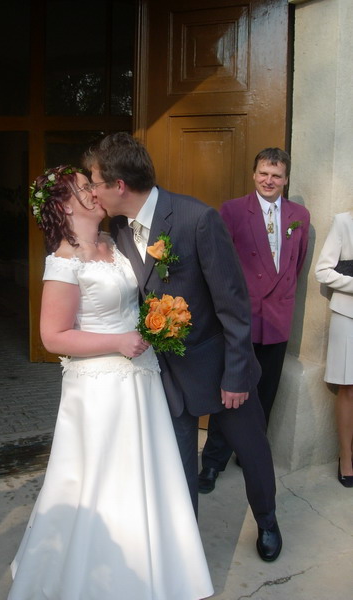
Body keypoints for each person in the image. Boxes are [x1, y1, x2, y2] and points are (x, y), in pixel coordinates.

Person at [8, 165, 214, 599]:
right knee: (103, 478)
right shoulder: (64, 260)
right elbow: (53, 337)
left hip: (141, 378)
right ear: (65, 206)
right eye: (84, 188)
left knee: (147, 474)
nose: (94, 192)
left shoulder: (114, 242)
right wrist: (118, 341)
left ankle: (157, 571)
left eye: (92, 184)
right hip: (99, 387)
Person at [83, 133, 282, 562]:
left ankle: (267, 520)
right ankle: (187, 553)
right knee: (178, 466)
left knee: (252, 449)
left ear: (119, 185)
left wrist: (236, 375)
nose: (93, 191)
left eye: (96, 182)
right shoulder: (117, 229)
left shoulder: (197, 219)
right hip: (165, 373)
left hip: (219, 365)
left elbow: (233, 304)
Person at [200, 148, 310, 493]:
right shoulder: (233, 210)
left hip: (278, 316)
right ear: (254, 174)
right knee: (230, 390)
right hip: (241, 317)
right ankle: (213, 461)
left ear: (286, 179)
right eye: (264, 173)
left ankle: (249, 454)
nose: (269, 180)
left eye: (276, 175)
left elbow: (297, 262)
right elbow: (221, 263)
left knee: (265, 393)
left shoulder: (299, 215)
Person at [315, 210, 353, 488]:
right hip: (349, 315)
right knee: (349, 388)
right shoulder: (344, 221)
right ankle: (346, 457)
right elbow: (323, 270)